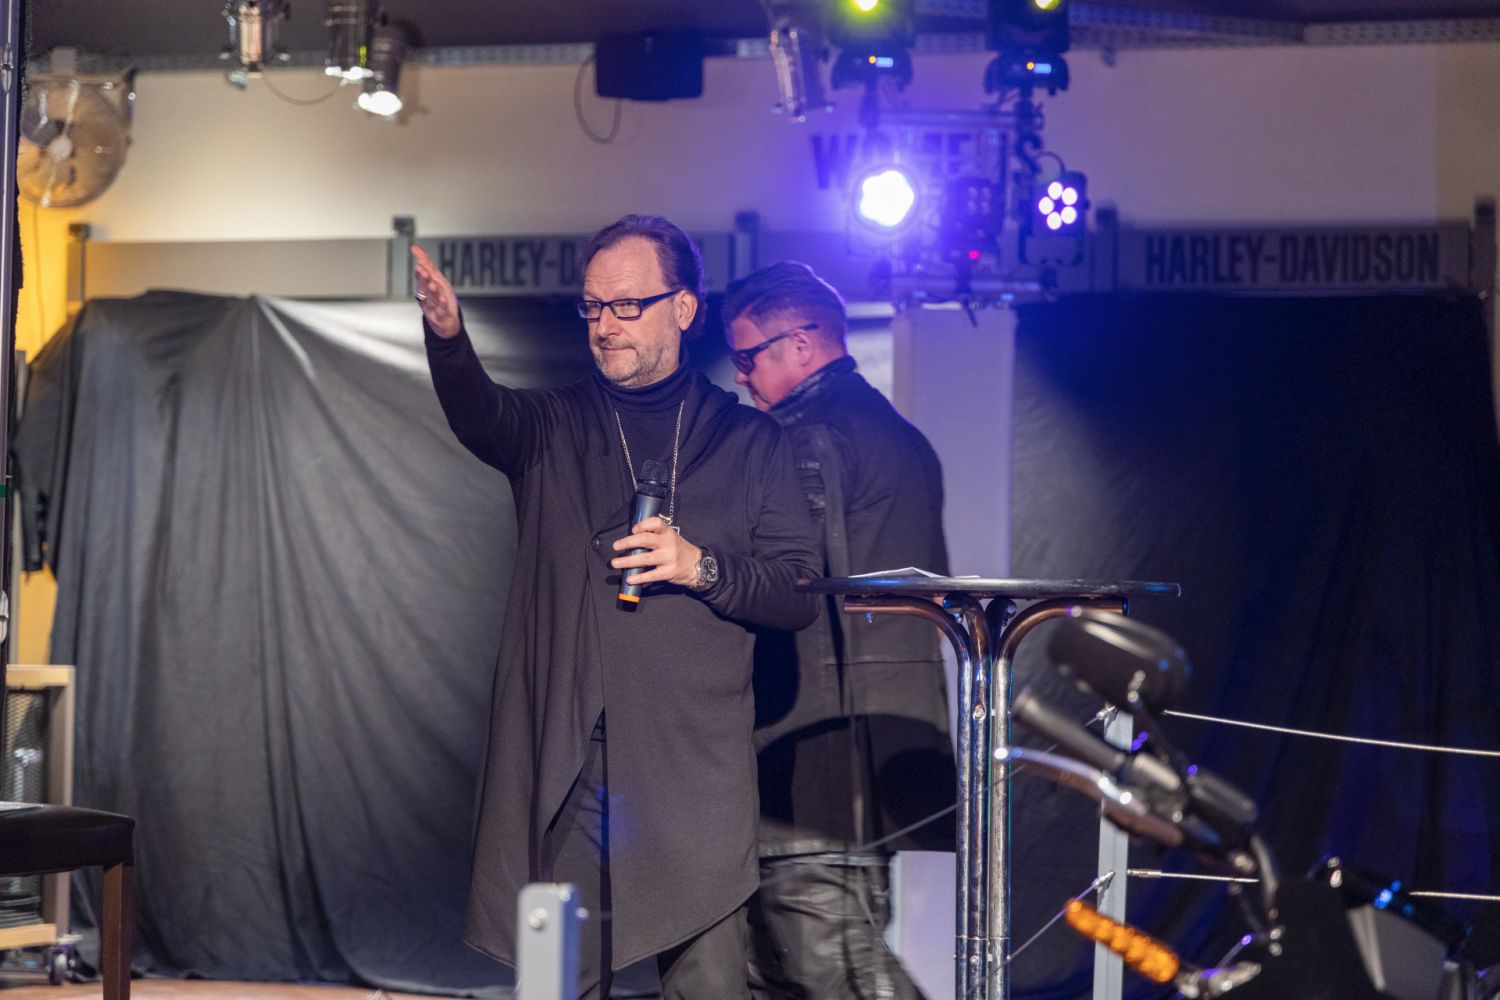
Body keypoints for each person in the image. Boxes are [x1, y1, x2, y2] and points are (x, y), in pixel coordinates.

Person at [414, 216, 821, 1000]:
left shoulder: (751, 442)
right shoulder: (554, 425)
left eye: (628, 305)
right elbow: (481, 415)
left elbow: (797, 591)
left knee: (708, 983)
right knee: (559, 981)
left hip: (692, 763)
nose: (606, 325)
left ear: (683, 308)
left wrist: (700, 567)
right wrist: (449, 339)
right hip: (574, 761)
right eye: (594, 307)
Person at [723, 261, 956, 1000]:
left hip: (815, 760)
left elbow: (784, 589)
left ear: (801, 343)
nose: (740, 378)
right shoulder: (901, 438)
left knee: (830, 967)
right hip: (868, 754)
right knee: (793, 967)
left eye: (747, 357)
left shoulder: (801, 441)